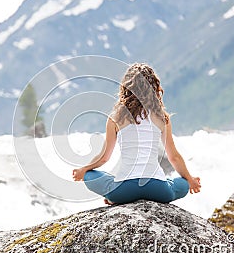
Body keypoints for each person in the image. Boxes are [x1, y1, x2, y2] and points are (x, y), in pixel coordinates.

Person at [72, 63, 201, 205]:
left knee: (90, 176)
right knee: (182, 183)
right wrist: (190, 179)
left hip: (123, 190)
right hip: (158, 189)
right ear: (154, 89)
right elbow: (174, 157)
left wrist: (83, 170)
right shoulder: (162, 118)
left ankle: (114, 198)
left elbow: (104, 158)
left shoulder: (116, 117)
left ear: (126, 88)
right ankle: (176, 183)